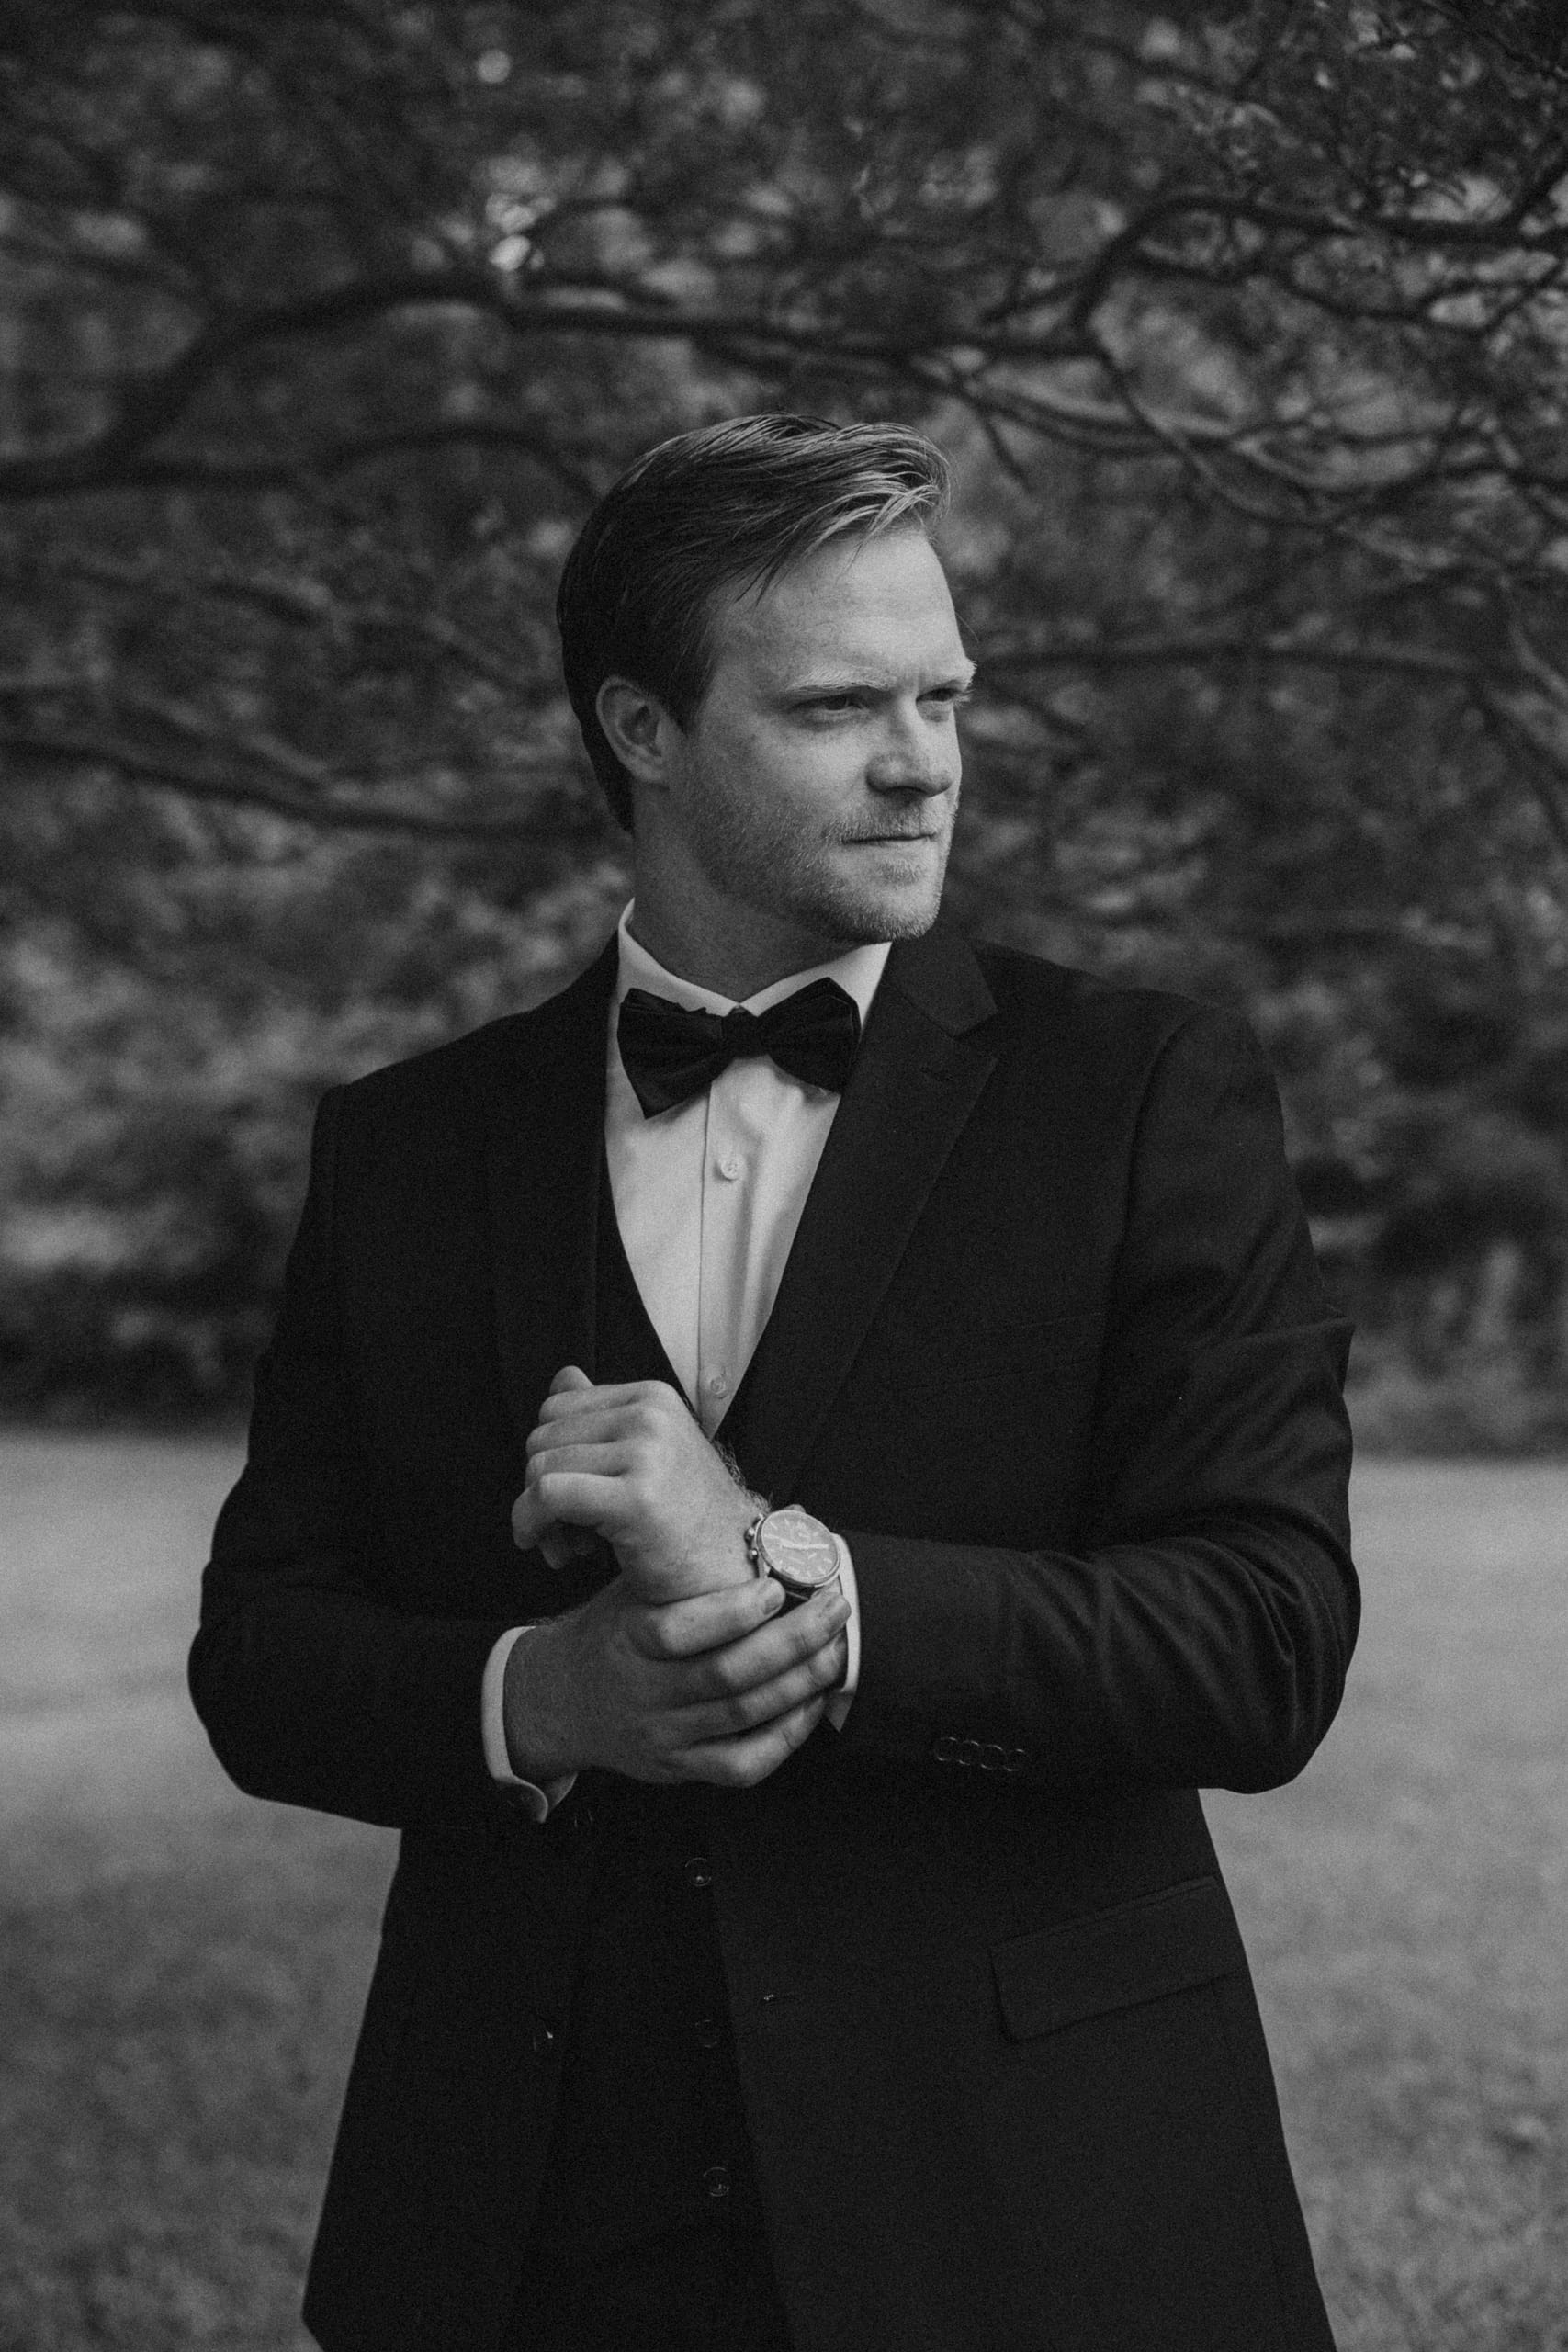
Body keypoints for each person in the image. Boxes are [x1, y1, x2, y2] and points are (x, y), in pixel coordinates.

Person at [190, 413, 1358, 2352]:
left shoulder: (1146, 1092)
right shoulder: (406, 1146)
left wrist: (805, 1587)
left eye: (944, 696)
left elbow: (1262, 1634)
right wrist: (536, 1692)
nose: (925, 763)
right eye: (837, 708)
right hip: (529, 2217)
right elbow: (260, 1650)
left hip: (1034, 2210)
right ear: (641, 729)